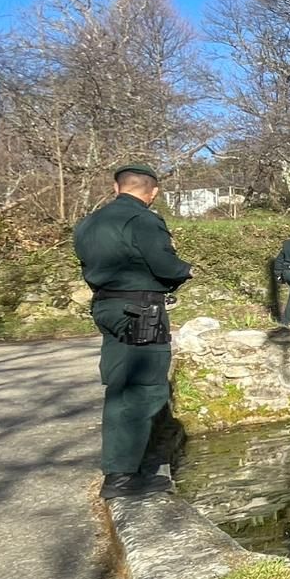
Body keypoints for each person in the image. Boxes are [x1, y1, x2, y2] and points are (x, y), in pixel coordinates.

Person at [72, 164, 193, 496]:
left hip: (106, 305)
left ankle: (120, 468)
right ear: (153, 193)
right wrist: (186, 271)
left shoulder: (88, 223)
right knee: (145, 389)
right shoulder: (144, 220)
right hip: (141, 309)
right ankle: (123, 476)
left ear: (116, 188)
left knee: (119, 382)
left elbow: (86, 263)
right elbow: (164, 265)